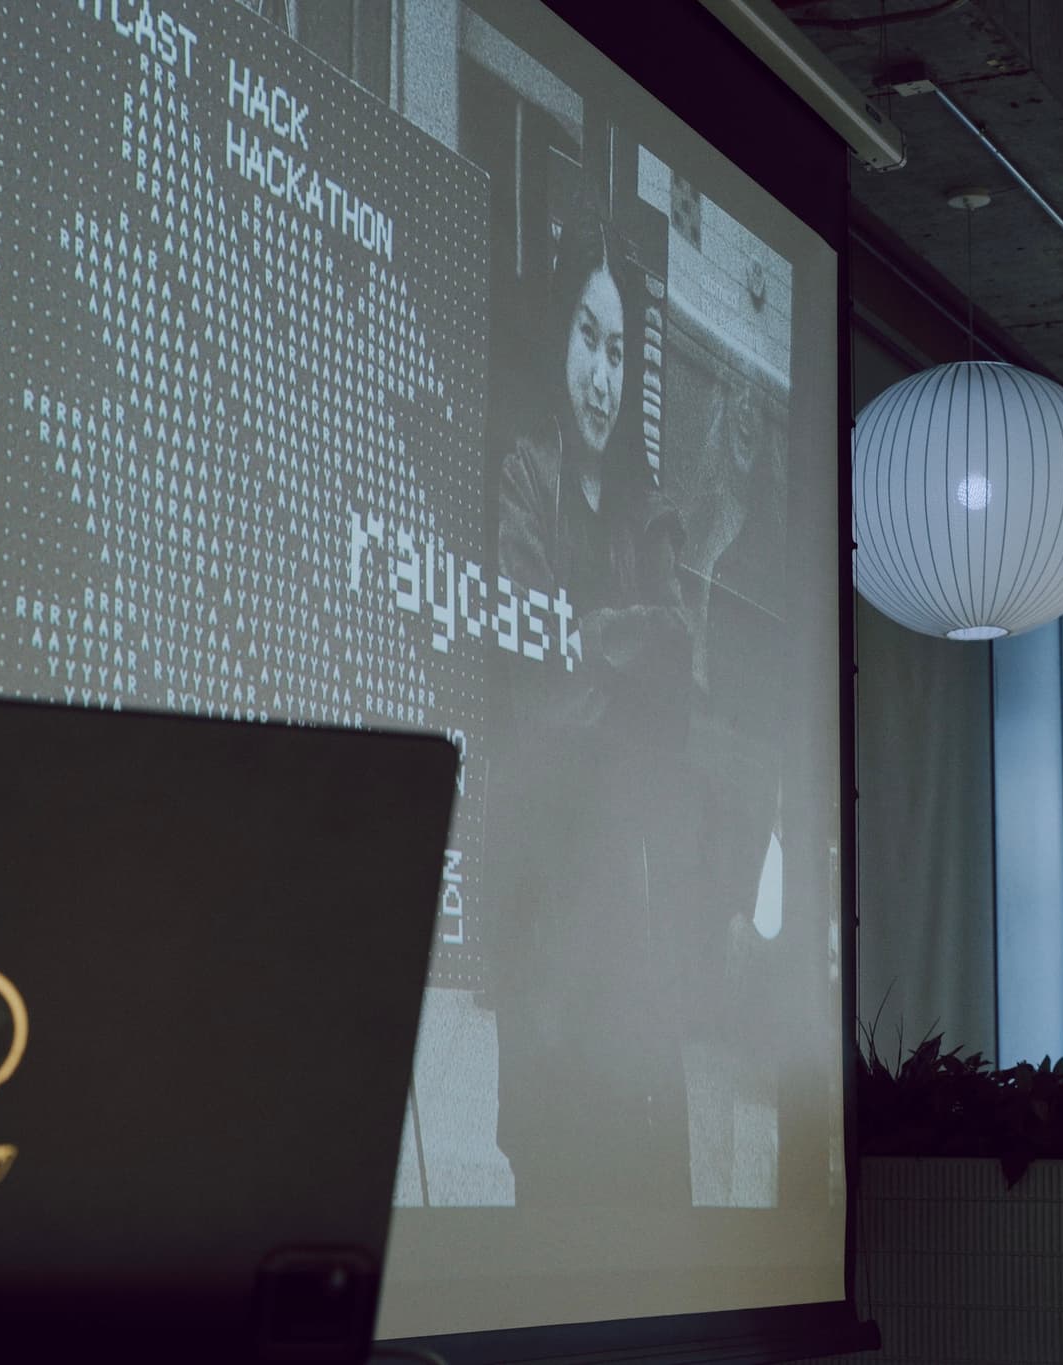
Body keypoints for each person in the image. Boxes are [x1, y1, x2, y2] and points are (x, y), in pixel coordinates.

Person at [489, 205, 701, 1208]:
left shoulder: (642, 504)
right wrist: (620, 648)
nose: (601, 375)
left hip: (627, 886)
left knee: (639, 1151)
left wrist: (592, 639)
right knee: (551, 1154)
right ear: (556, 336)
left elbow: (678, 657)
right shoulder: (520, 476)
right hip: (541, 879)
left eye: (619, 351)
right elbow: (535, 688)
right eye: (587, 337)